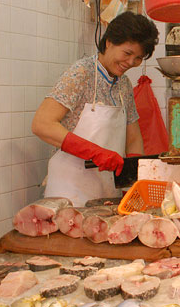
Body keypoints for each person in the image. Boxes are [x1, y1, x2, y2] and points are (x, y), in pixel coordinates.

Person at [32, 11, 159, 206]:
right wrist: (95, 152)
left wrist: (133, 183)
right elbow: (42, 124)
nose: (131, 62)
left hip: (108, 194)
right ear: (109, 42)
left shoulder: (124, 85)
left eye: (138, 58)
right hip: (69, 194)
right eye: (127, 53)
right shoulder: (81, 73)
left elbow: (133, 139)